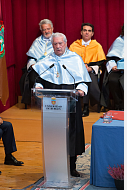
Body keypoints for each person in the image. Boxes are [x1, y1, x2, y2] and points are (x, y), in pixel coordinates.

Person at [31, 32, 91, 177]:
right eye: (55, 44)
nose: (58, 47)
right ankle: (54, 166)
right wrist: (38, 85)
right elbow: (38, 77)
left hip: (72, 101)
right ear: (52, 45)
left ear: (65, 43)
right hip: (52, 103)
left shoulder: (75, 59)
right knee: (54, 133)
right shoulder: (47, 60)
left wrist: (81, 89)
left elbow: (83, 80)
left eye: (60, 43)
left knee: (72, 133)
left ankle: (72, 167)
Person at [69, 23, 106, 116]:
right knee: (84, 79)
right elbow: (69, 59)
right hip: (77, 70)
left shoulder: (97, 45)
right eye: (85, 30)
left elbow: (100, 61)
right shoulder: (74, 45)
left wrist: (89, 68)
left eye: (89, 31)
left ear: (92, 33)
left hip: (91, 70)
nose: (87, 32)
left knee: (88, 79)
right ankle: (82, 106)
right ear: (81, 32)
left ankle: (86, 106)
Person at [19, 19, 54, 106]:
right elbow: (31, 57)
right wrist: (33, 65)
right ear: (41, 31)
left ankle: (52, 102)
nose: (46, 31)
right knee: (30, 76)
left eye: (48, 29)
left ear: (52, 29)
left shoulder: (58, 39)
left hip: (53, 67)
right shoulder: (37, 41)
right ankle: (39, 99)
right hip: (38, 67)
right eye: (44, 29)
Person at [100, 25, 124, 110]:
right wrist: (113, 66)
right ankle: (117, 105)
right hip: (117, 68)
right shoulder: (119, 40)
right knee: (112, 80)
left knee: (123, 82)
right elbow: (110, 57)